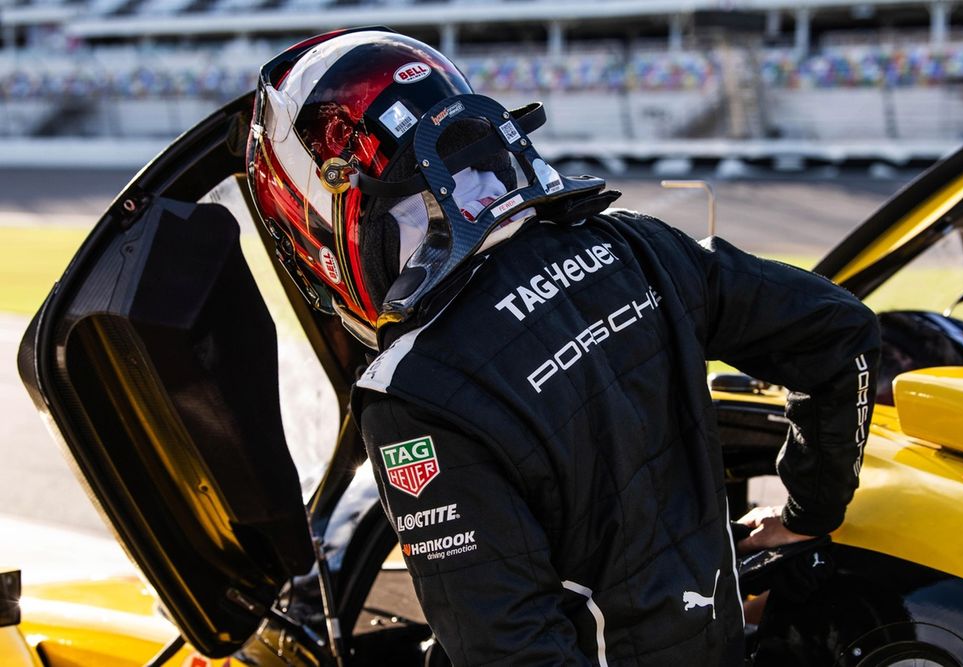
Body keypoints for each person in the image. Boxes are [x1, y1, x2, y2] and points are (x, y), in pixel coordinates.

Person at [246, 27, 880, 666]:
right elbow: (840, 331)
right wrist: (808, 513)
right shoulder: (639, 248)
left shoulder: (414, 392)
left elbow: (509, 653)